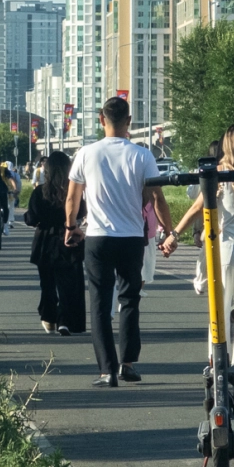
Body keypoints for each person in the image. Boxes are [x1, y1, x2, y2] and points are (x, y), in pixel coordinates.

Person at [65, 96, 172, 388]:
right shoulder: (142, 156)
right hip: (131, 238)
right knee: (130, 299)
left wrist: (71, 226)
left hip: (98, 238)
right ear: (129, 122)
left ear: (102, 120)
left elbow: (73, 197)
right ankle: (128, 364)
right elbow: (156, 197)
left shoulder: (86, 153)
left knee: (100, 303)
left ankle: (106, 371)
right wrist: (169, 230)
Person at [163, 125, 234, 386]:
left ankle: (216, 361)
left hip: (226, 249)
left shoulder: (218, 174)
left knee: (220, 307)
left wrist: (175, 234)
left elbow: (197, 207)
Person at [25, 151, 86, 336]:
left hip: (45, 241)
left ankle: (48, 317)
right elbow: (81, 211)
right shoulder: (72, 190)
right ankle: (65, 321)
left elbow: (32, 218)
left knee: (47, 283)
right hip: (69, 238)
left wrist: (29, 217)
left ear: (47, 169)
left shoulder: (39, 192)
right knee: (69, 284)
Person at [186, 140, 223, 295]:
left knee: (206, 253)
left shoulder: (208, 171)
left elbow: (192, 196)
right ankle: (203, 281)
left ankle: (202, 281)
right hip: (214, 220)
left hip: (208, 220)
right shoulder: (225, 170)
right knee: (207, 252)